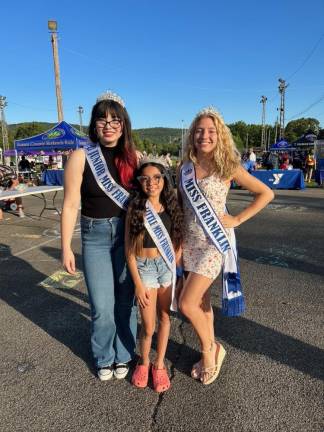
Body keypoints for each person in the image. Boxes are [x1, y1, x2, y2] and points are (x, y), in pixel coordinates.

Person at [177, 107, 274, 386]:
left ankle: (210, 350)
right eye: (199, 131)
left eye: (210, 131)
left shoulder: (227, 167)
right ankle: (211, 344)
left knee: (186, 303)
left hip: (213, 244)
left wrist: (237, 219)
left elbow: (265, 193)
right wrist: (179, 244)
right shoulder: (184, 168)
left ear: (219, 135)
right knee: (202, 301)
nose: (204, 136)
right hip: (190, 242)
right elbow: (183, 209)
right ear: (192, 135)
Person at [61, 91, 138, 381]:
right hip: (94, 236)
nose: (109, 125)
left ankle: (125, 353)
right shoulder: (80, 157)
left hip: (126, 236)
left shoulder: (134, 158)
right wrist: (66, 247)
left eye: (115, 119)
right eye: (102, 120)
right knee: (102, 306)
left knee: (125, 301)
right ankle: (104, 356)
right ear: (94, 125)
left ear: (123, 124)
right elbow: (69, 204)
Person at [125, 156, 183, 392]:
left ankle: (159, 365)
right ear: (139, 182)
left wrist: (175, 263)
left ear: (163, 180)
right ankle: (144, 360)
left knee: (166, 319)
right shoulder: (135, 208)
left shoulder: (171, 206)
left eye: (156, 178)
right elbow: (129, 250)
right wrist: (137, 283)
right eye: (145, 179)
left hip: (165, 269)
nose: (151, 183)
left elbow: (179, 238)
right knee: (148, 326)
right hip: (145, 270)